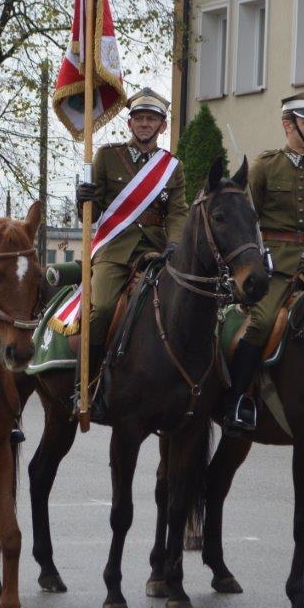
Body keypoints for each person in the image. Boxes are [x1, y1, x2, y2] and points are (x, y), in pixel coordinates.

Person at [227, 96, 304, 433]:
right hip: (275, 264)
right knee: (262, 322)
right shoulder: (265, 166)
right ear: (288, 125)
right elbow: (245, 218)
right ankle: (239, 399)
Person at [74, 87, 189, 421]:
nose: (144, 124)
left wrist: (174, 244)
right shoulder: (107, 157)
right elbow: (91, 215)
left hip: (155, 250)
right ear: (129, 124)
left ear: (162, 127)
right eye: (139, 118)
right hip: (114, 248)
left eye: (151, 119)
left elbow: (178, 212)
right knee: (104, 308)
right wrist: (83, 198)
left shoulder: (172, 167)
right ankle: (87, 383)